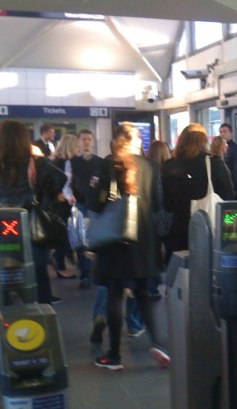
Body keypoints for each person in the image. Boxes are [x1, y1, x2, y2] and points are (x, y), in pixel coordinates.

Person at [87, 122, 166, 371]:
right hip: (144, 243)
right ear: (137, 141)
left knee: (115, 294)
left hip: (115, 241)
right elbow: (160, 205)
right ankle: (158, 344)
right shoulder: (151, 166)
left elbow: (97, 202)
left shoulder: (109, 164)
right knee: (143, 294)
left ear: (116, 141)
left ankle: (114, 356)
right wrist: (161, 240)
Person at [0, 119, 67, 304]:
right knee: (37, 266)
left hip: (3, 225)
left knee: (5, 265)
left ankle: (5, 303)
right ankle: (42, 301)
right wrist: (45, 194)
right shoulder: (36, 161)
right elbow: (60, 178)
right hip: (32, 222)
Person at [162, 123, 235, 262]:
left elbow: (167, 206)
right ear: (204, 141)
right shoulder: (215, 164)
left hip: (180, 232)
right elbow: (229, 201)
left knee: (181, 272)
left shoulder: (169, 166)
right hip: (209, 233)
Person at [70, 129, 103, 289]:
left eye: (89, 139)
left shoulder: (99, 162)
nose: (86, 142)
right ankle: (85, 273)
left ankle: (95, 272)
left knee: (94, 239)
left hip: (95, 206)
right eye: (83, 139)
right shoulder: (73, 162)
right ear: (79, 142)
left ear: (93, 142)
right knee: (82, 240)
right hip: (80, 204)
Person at [51, 133, 80, 279]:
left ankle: (59, 260)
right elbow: (65, 183)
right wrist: (66, 196)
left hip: (60, 202)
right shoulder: (65, 162)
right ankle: (60, 266)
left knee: (63, 234)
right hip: (62, 203)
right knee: (63, 235)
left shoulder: (57, 161)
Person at [148, 140, 174, 265]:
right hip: (169, 217)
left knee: (153, 255)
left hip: (152, 219)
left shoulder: (147, 172)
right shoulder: (170, 171)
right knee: (170, 253)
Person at [219, 122, 237, 199]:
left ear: (231, 133)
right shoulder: (219, 149)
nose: (222, 134)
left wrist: (234, 189)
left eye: (225, 131)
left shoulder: (235, 149)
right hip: (222, 187)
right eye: (220, 132)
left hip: (232, 187)